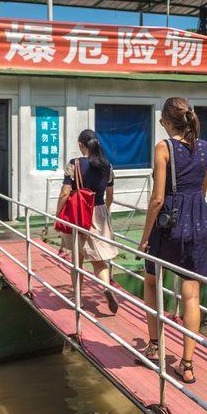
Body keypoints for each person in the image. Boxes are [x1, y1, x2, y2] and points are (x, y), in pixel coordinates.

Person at [137, 97, 207, 384]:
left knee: (152, 281)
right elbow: (202, 190)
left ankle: (155, 346)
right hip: (198, 222)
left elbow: (157, 199)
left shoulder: (164, 147)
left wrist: (144, 239)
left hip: (169, 224)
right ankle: (187, 364)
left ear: (166, 121)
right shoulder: (206, 148)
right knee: (191, 295)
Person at [56, 129, 120, 313]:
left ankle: (78, 300)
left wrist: (58, 212)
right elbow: (110, 195)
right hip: (98, 212)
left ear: (81, 145)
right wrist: (104, 211)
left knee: (77, 260)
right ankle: (106, 287)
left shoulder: (74, 164)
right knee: (99, 261)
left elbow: (65, 192)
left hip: (78, 214)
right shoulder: (107, 166)